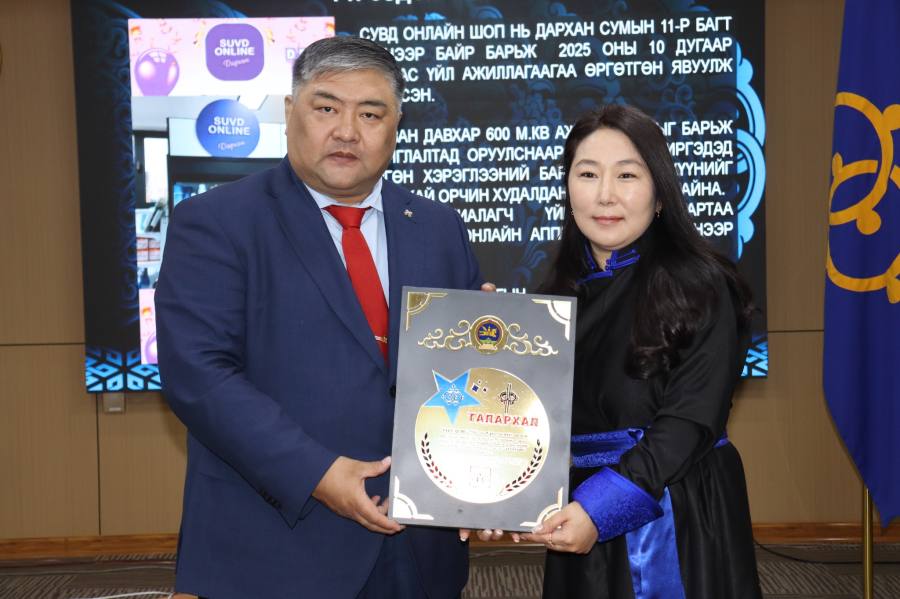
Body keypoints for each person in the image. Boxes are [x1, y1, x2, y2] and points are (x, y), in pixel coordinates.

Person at [155, 36, 484, 599]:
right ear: (290, 112)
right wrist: (319, 473)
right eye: (327, 108)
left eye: (371, 114)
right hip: (275, 545)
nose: (347, 131)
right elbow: (199, 376)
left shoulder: (438, 226)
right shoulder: (215, 221)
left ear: (397, 126)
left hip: (420, 547)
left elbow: (461, 374)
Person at [520, 104, 763, 598]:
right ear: (568, 189)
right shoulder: (553, 297)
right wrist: (494, 494)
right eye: (588, 174)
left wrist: (600, 508)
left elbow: (690, 422)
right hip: (579, 512)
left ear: (659, 194)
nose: (605, 194)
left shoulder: (702, 285)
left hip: (673, 511)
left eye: (627, 175)